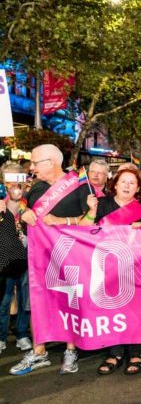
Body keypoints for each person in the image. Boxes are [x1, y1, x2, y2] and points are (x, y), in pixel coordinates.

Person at [11, 144, 90, 375]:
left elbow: (91, 220)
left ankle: (70, 349)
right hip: (40, 258)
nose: (32, 167)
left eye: (36, 163)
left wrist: (63, 221)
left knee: (70, 301)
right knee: (37, 301)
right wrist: (23, 211)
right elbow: (24, 207)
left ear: (52, 162)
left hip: (71, 257)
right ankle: (39, 351)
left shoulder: (79, 186)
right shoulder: (36, 187)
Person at [80, 169, 141, 375]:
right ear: (115, 184)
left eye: (132, 183)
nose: (127, 186)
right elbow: (84, 229)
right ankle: (115, 352)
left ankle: (136, 352)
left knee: (137, 310)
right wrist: (91, 211)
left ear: (137, 188)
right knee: (112, 310)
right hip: (106, 267)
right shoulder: (102, 204)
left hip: (136, 267)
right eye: (123, 182)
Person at [0, 164, 32, 356]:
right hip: (4, 261)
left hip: (28, 259)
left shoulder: (32, 205)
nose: (15, 186)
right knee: (3, 301)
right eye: (10, 180)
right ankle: (1, 337)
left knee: (24, 299)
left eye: (19, 180)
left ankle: (21, 334)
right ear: (4, 182)